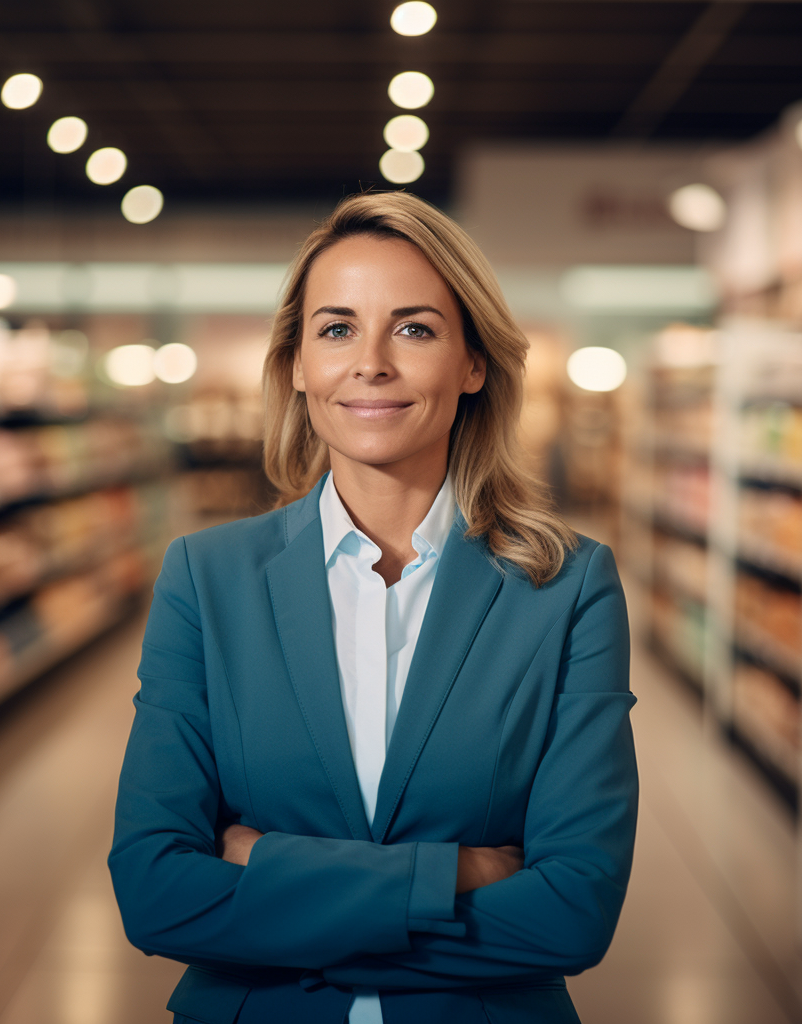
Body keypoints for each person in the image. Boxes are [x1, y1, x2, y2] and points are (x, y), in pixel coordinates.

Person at [108, 191, 639, 1024]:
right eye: (337, 327)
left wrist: (267, 866)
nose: (372, 363)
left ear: (473, 365)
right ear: (296, 362)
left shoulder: (566, 587)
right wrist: (457, 874)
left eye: (416, 328)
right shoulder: (206, 579)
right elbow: (155, 894)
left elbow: (573, 913)